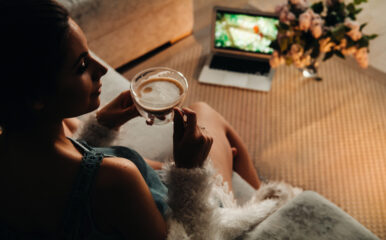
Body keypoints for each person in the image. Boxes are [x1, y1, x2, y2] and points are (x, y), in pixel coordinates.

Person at [0, 0, 263, 239]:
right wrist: (190, 174)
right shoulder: (117, 181)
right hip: (196, 218)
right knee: (206, 115)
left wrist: (102, 125)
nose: (101, 68)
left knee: (219, 147)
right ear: (36, 96)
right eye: (81, 66)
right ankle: (259, 210)